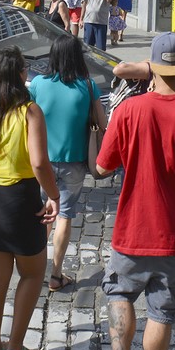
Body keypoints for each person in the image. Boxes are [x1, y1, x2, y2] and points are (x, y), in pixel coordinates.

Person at [95, 33, 175, 350]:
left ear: (151, 68)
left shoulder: (127, 110)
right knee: (162, 312)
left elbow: (103, 166)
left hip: (132, 228)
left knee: (119, 294)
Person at [0, 47, 60, 350]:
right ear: (18, 76)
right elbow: (39, 163)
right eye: (24, 70)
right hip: (19, 199)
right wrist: (55, 196)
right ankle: (16, 347)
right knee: (32, 273)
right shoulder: (29, 111)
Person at [29, 36, 107, 292]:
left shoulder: (38, 84)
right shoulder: (88, 85)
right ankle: (56, 274)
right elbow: (102, 123)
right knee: (64, 215)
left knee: (43, 213)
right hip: (74, 161)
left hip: (41, 161)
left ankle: (33, 268)